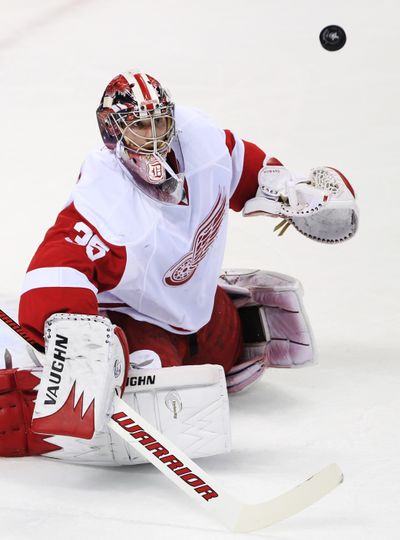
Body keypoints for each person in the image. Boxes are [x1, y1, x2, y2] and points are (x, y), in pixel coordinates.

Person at [0, 70, 358, 462]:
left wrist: (287, 190)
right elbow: (53, 270)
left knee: (240, 341)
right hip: (137, 321)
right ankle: (54, 403)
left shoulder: (201, 140)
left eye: (160, 122)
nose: (154, 136)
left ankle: (212, 316)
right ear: (113, 134)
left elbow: (246, 168)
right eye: (139, 128)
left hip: (198, 309)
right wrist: (76, 339)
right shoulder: (105, 201)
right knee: (159, 390)